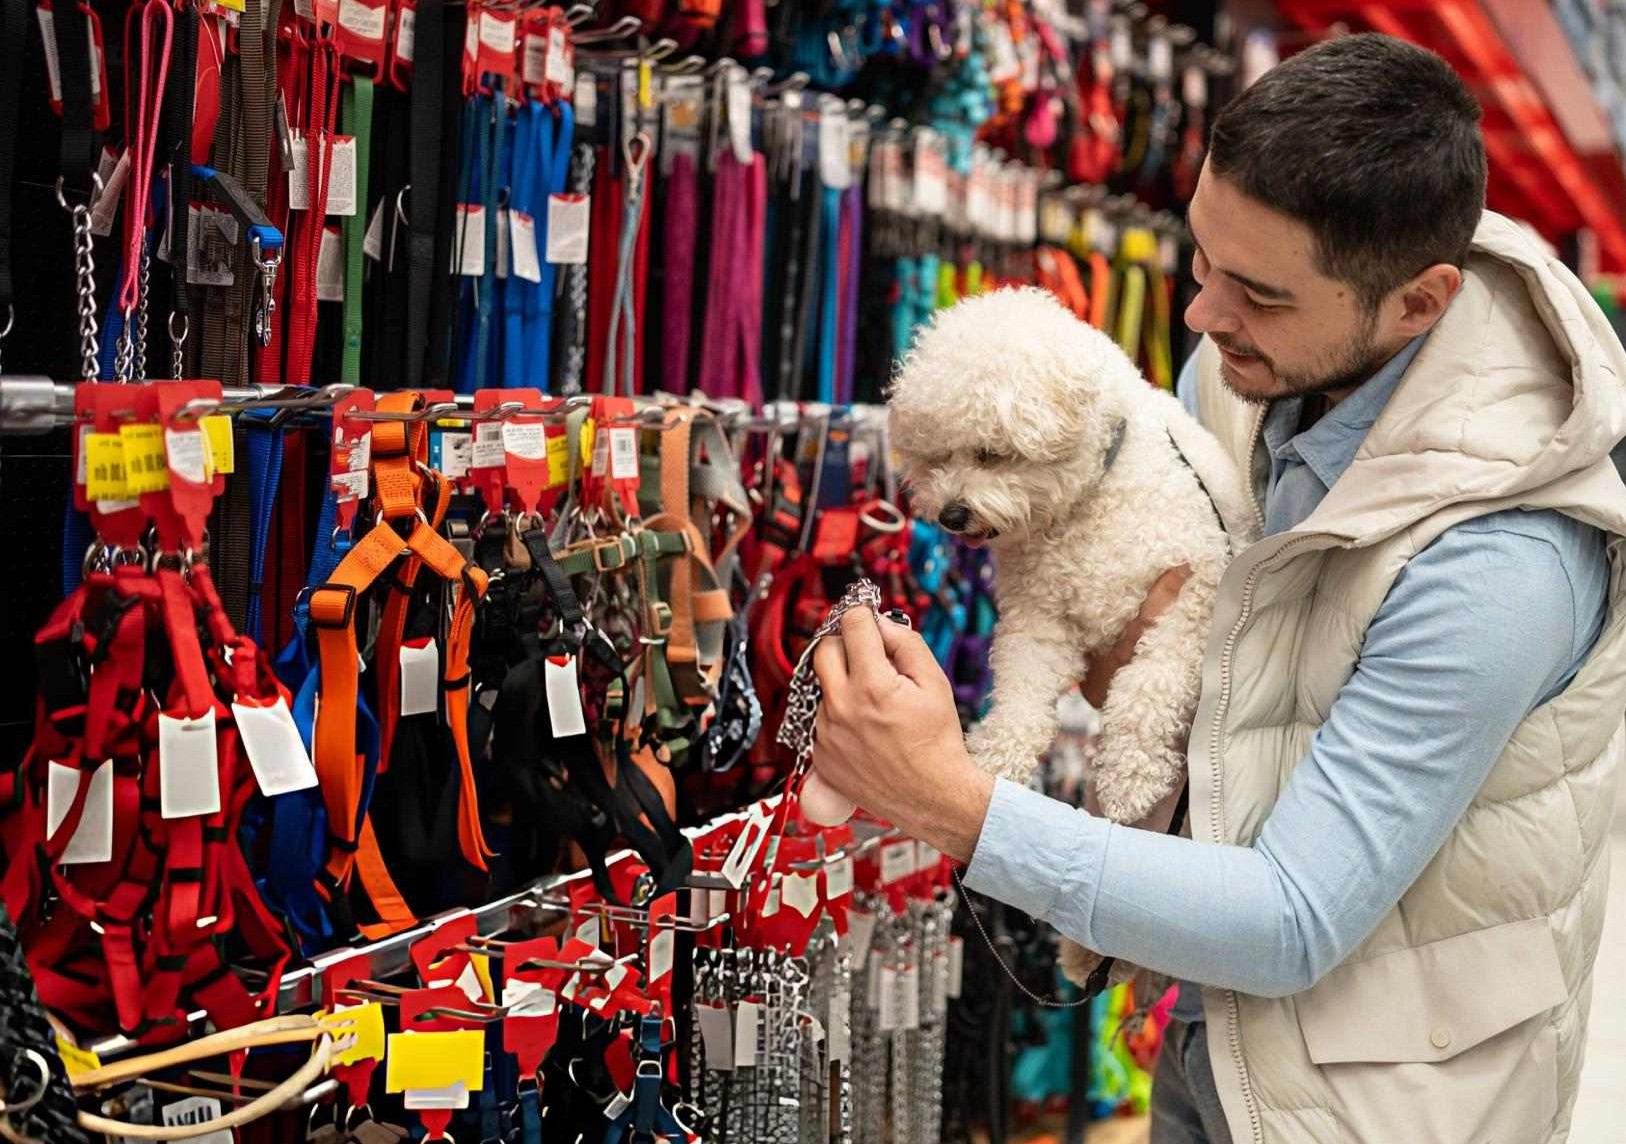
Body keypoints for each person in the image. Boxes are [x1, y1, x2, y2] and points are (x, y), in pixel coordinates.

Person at [808, 33, 1626, 1144]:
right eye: (1203, 261)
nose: (1201, 316)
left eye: (1259, 294)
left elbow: (1292, 916)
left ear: (1417, 303)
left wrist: (954, 801)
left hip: (1382, 1109)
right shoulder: (1247, 378)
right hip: (1213, 1047)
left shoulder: (1501, 558)